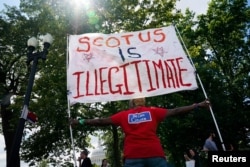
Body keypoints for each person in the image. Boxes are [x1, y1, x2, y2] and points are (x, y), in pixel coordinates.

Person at [71, 97, 210, 167]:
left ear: (132, 104)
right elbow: (176, 110)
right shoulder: (153, 112)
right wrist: (196, 105)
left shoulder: (123, 115)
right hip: (155, 154)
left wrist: (80, 121)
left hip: (133, 156)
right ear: (142, 103)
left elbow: (101, 121)